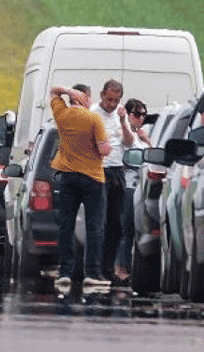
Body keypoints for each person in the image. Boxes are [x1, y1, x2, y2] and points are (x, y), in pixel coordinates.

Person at [49, 84, 112, 293]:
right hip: (92, 177)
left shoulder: (62, 114)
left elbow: (52, 91)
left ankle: (64, 272)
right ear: (87, 97)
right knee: (95, 227)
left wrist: (67, 91)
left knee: (65, 225)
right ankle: (92, 274)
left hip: (67, 177)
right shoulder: (94, 119)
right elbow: (104, 150)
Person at [89, 79, 129, 278]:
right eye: (109, 99)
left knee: (116, 223)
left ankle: (108, 268)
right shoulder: (93, 113)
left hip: (117, 170)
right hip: (99, 171)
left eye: (115, 101)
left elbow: (129, 142)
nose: (111, 104)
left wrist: (123, 122)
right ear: (101, 94)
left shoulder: (120, 114)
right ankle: (95, 269)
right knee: (99, 223)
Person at [114, 97, 151, 282]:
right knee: (125, 228)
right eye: (137, 114)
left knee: (133, 229)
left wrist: (147, 139)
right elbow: (128, 147)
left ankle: (124, 264)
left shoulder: (143, 135)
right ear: (128, 115)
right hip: (128, 185)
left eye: (144, 114)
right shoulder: (124, 133)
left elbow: (153, 156)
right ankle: (120, 266)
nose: (141, 118)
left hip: (141, 187)